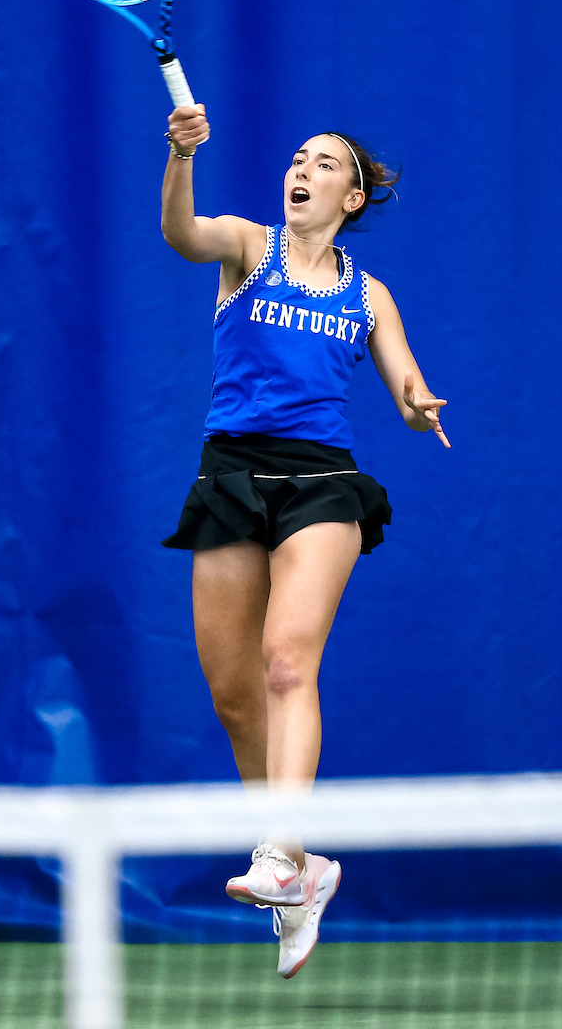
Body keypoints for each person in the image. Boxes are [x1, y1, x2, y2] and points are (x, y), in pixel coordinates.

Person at [160, 103, 450, 979]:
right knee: (235, 694)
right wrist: (181, 159)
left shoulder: (368, 293)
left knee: (289, 663)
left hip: (323, 482)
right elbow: (181, 234)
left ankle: (282, 855)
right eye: (297, 158)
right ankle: (299, 869)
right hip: (230, 472)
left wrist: (414, 400)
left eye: (324, 164)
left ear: (351, 196)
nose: (303, 169)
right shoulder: (248, 247)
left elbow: (403, 373)